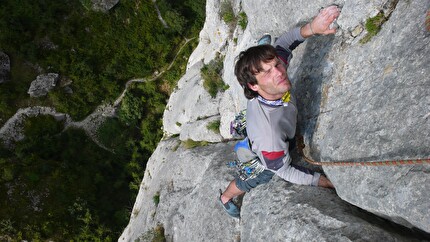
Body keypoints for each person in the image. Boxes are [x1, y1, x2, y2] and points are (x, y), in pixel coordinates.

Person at [219, 5, 340, 218]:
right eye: (266, 72)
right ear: (253, 87)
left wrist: (313, 27)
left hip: (263, 116)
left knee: (272, 59)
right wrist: (325, 182)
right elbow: (284, 171)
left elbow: (284, 44)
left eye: (276, 64)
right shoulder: (271, 136)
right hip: (263, 152)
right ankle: (225, 197)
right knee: (251, 179)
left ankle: (259, 54)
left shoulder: (273, 75)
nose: (279, 72)